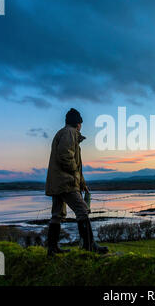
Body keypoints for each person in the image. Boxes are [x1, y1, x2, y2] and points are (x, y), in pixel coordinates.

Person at [45, 108, 108, 256]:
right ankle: (89, 245)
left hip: (58, 181)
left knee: (57, 214)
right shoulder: (69, 133)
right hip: (66, 182)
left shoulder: (63, 133)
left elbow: (73, 162)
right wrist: (75, 175)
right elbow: (66, 156)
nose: (81, 126)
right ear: (78, 123)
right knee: (82, 210)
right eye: (81, 123)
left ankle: (52, 249)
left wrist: (82, 182)